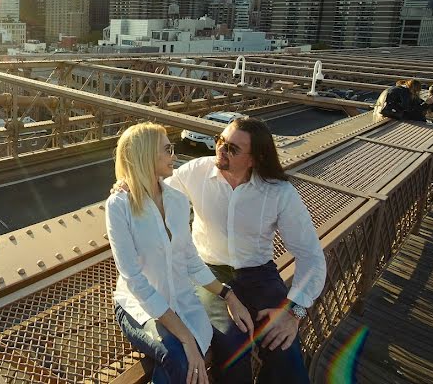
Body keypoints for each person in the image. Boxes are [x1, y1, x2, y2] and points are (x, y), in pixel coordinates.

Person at [166, 117, 326, 384]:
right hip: (209, 274)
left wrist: (293, 313)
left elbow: (312, 257)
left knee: (283, 347)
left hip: (259, 275)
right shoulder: (196, 172)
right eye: (220, 141)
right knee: (231, 345)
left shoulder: (278, 192)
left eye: (232, 149)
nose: (220, 150)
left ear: (254, 159)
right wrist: (127, 187)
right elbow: (156, 195)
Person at [106, 122, 254, 384]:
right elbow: (135, 281)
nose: (174, 155)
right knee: (181, 355)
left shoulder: (176, 199)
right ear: (146, 155)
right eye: (167, 149)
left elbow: (190, 260)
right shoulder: (119, 205)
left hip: (182, 301)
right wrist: (185, 336)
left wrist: (228, 295)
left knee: (192, 358)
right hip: (139, 308)